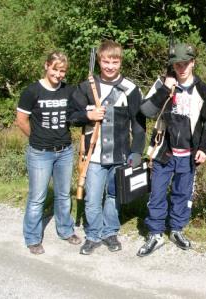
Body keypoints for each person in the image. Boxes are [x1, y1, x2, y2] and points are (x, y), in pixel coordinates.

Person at [137, 43, 206, 257]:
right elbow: (146, 110)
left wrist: (204, 148)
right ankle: (155, 233)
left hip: (189, 154)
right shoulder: (162, 84)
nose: (181, 68)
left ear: (193, 63)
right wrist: (165, 89)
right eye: (177, 64)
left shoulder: (203, 89)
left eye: (185, 63)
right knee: (157, 193)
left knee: (182, 194)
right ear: (172, 65)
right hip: (163, 152)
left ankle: (176, 229)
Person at [69, 40, 146, 255]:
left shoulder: (130, 89)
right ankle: (93, 235)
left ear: (120, 62)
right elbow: (71, 116)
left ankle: (110, 232)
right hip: (92, 156)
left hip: (120, 155)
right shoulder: (86, 86)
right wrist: (87, 115)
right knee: (92, 198)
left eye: (115, 61)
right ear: (99, 61)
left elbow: (139, 126)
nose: (110, 66)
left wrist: (137, 152)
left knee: (113, 196)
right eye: (106, 61)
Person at [16, 51, 81, 255]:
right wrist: (37, 138)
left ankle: (65, 230)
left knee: (63, 194)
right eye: (55, 69)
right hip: (40, 152)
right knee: (37, 197)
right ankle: (33, 238)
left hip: (65, 151)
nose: (58, 74)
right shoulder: (32, 91)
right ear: (46, 66)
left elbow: (77, 114)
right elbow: (21, 120)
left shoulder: (68, 90)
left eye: (62, 71)